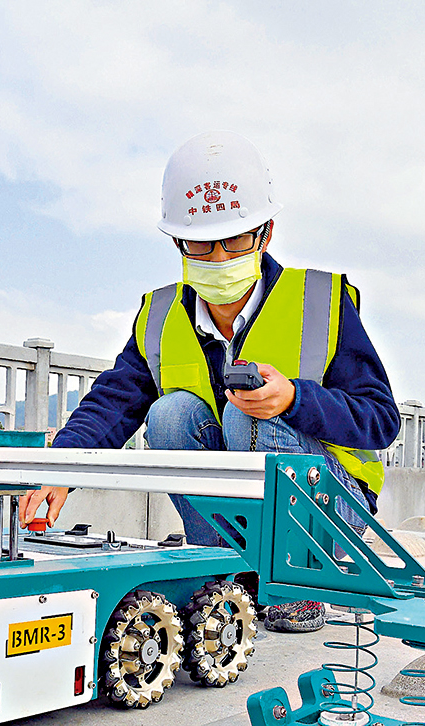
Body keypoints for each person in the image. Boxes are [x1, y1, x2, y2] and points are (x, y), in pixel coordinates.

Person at [21, 131, 400, 632]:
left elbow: (381, 420)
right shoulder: (160, 316)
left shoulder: (321, 301)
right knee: (169, 413)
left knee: (245, 415)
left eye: (235, 239)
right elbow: (112, 403)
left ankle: (300, 578)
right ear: (178, 242)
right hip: (245, 502)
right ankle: (226, 576)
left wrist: (294, 398)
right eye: (201, 243)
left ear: (264, 234)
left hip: (335, 503)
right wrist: (63, 465)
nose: (219, 258)